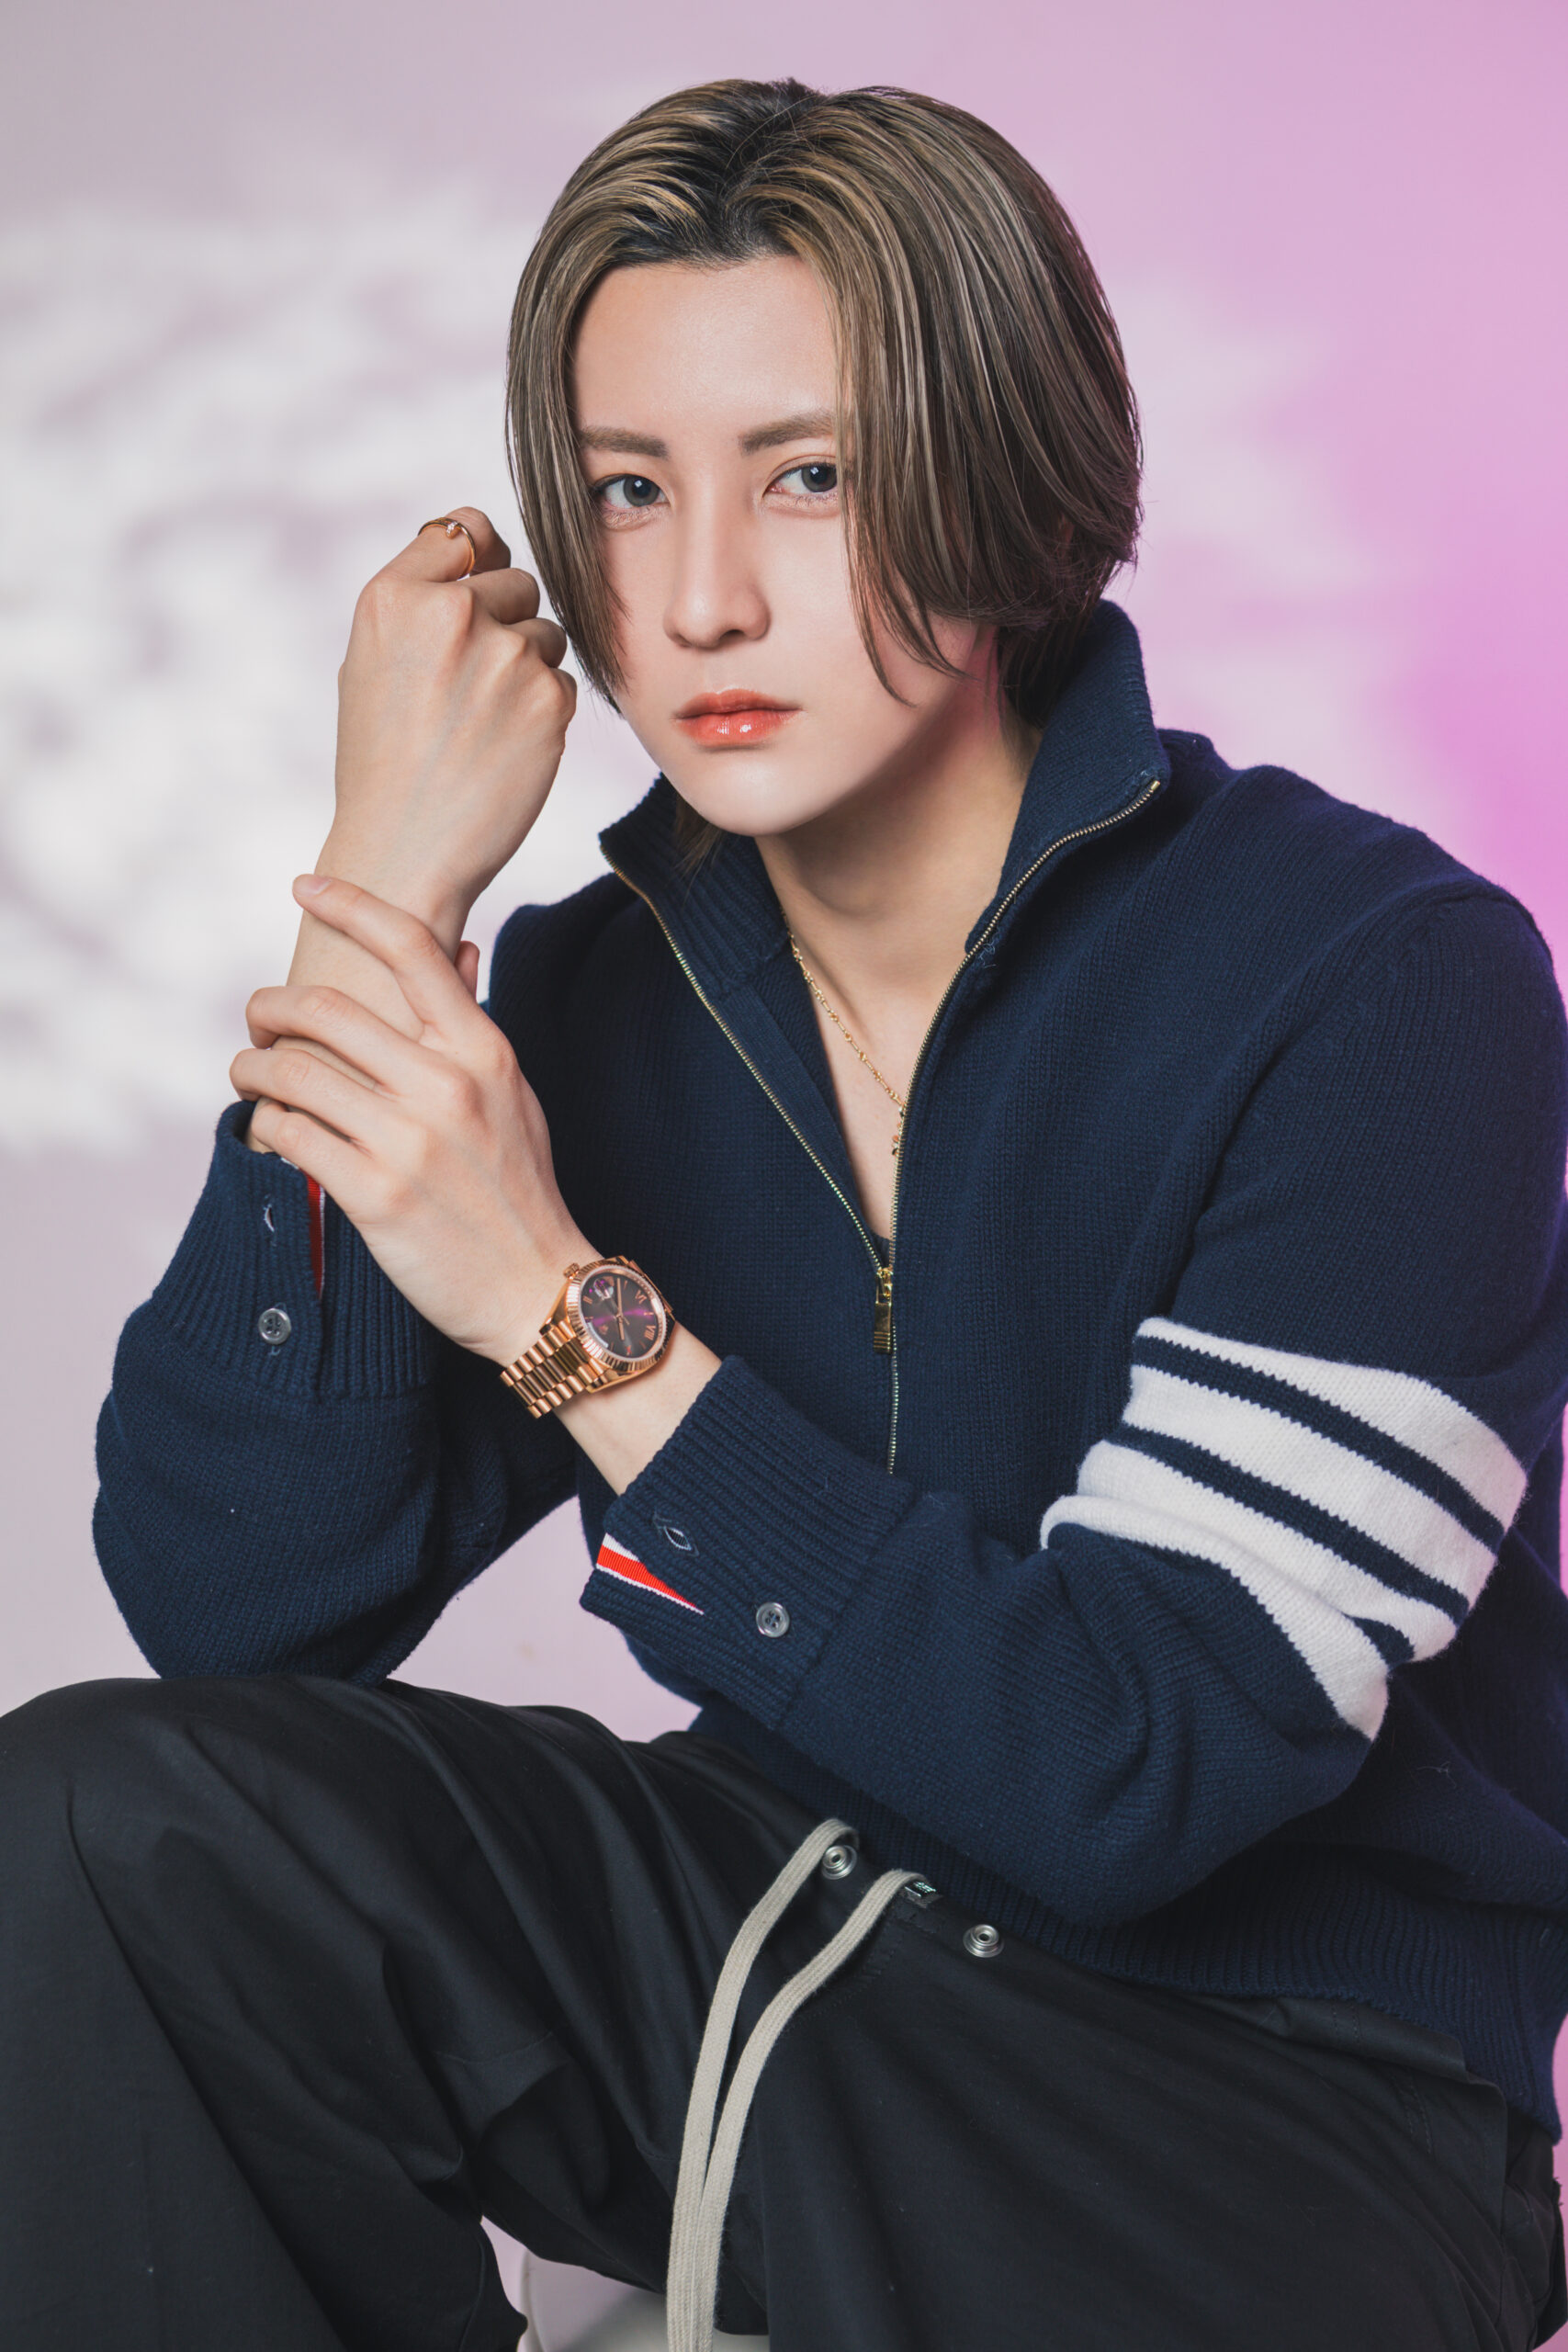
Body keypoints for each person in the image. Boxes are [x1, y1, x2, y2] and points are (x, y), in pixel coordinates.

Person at [4, 75, 1566, 2352]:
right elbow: (236, 1610)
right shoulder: (587, 1001)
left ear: (1000, 466)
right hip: (775, 1939)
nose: (700, 595)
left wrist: (560, 1305)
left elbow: (1135, 1767)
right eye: (629, 489)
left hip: (1264, 2091)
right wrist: (384, 907)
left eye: (806, 476)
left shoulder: (1377, 982)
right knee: (92, 1828)